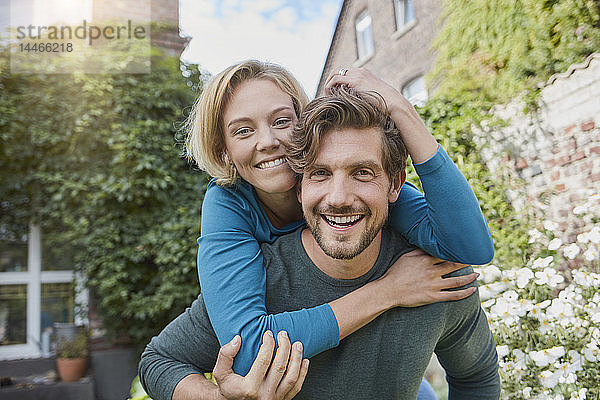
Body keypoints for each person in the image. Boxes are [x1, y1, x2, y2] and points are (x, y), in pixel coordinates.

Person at [139, 87, 501, 400]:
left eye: (362, 173)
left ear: (394, 184)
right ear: (300, 184)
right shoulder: (256, 277)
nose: (339, 197)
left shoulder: (433, 275)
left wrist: (398, 106)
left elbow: (477, 376)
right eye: (320, 173)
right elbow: (159, 362)